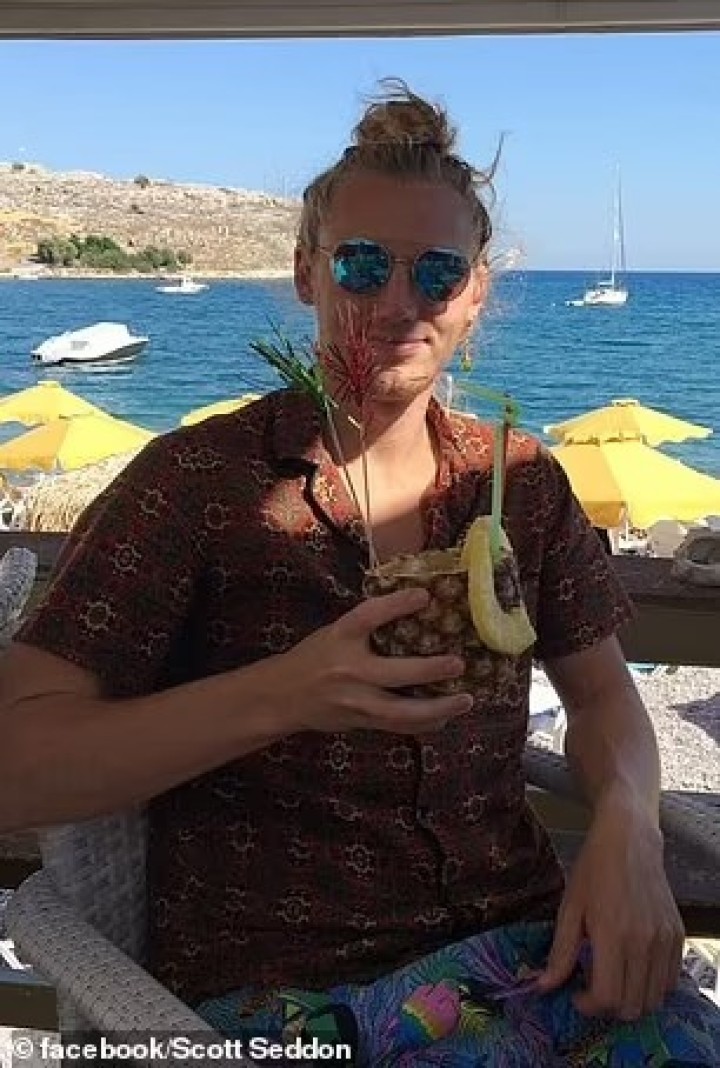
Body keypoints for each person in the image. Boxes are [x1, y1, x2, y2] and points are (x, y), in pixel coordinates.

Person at [1, 79, 718, 1065]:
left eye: (437, 273)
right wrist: (285, 694)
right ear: (308, 272)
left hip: (522, 960)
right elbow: (16, 767)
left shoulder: (519, 483)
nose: (397, 303)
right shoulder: (197, 484)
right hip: (284, 998)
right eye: (363, 264)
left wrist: (629, 827)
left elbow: (602, 698)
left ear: (474, 293)